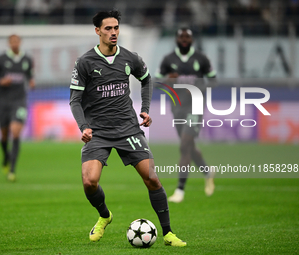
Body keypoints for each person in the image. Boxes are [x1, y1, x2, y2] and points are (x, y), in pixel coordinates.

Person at [69, 10, 186, 247]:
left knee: (152, 178)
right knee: (89, 182)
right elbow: (74, 100)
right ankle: (104, 215)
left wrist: (144, 108)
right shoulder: (85, 62)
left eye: (116, 28)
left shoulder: (130, 58)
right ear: (98, 31)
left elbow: (146, 79)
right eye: (108, 29)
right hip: (98, 132)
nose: (113, 32)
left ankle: (168, 233)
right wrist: (83, 126)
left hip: (128, 129)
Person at [155, 27, 216, 203]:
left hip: (195, 107)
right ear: (176, 39)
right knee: (188, 146)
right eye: (181, 36)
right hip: (177, 108)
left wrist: (198, 88)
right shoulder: (168, 60)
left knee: (184, 145)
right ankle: (207, 171)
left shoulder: (201, 58)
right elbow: (156, 83)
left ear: (192, 40)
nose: (184, 39)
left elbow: (213, 80)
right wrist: (167, 81)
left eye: (187, 37)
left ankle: (180, 190)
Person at [0, 34, 35, 182]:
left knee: (15, 132)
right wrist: (0, 81)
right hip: (3, 101)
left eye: (17, 41)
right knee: (4, 135)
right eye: (12, 41)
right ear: (9, 43)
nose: (14, 44)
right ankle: (6, 156)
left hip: (19, 101)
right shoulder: (0, 59)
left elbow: (29, 76)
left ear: (20, 42)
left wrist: (32, 82)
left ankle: (12, 170)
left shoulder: (27, 59)